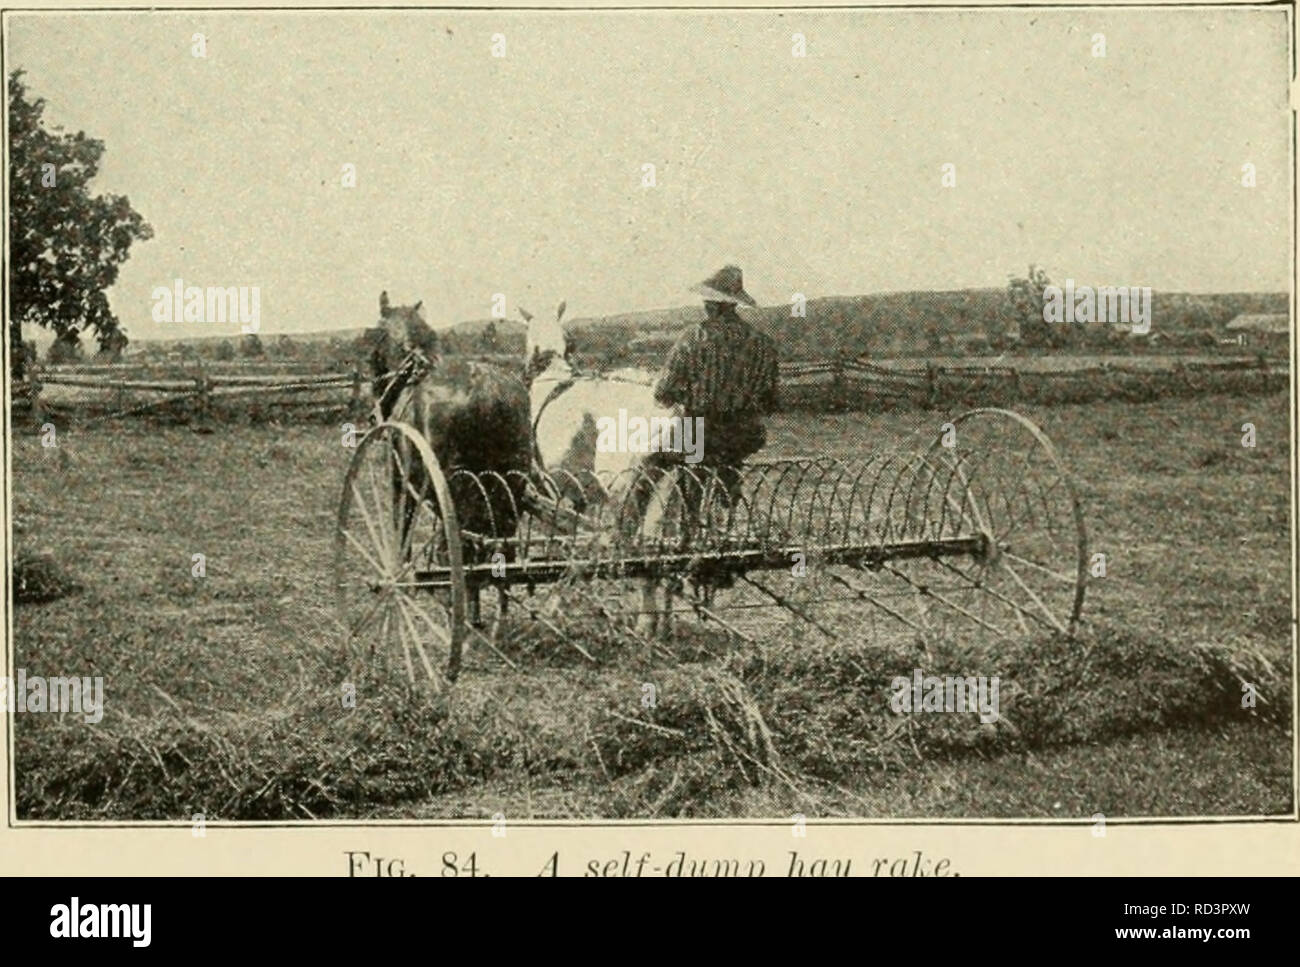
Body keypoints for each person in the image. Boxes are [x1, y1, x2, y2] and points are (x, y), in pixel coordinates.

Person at [653, 264, 780, 511]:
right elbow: (771, 400)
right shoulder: (762, 343)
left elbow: (664, 393)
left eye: (706, 300)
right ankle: (726, 511)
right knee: (727, 465)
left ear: (713, 304)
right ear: (733, 304)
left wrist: (685, 394)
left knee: (653, 464)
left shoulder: (694, 337)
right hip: (743, 434)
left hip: (700, 430)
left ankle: (677, 525)